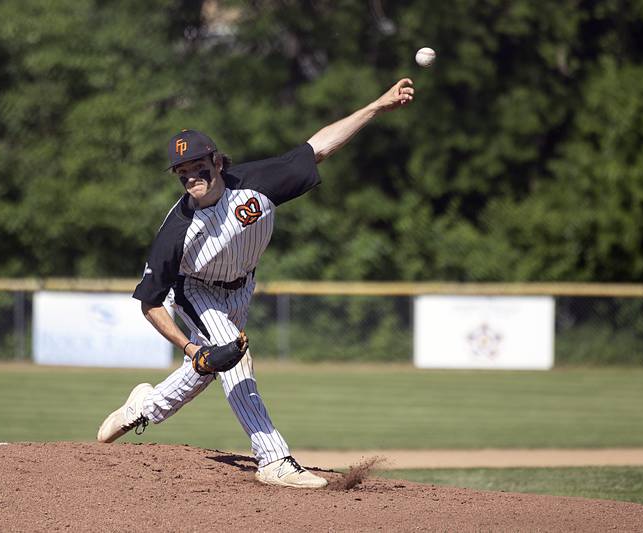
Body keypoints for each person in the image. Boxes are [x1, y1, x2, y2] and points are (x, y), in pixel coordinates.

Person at [97, 78, 415, 489]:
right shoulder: (175, 232)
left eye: (198, 166)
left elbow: (318, 148)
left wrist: (376, 105)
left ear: (217, 161)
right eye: (183, 172)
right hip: (195, 291)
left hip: (242, 286)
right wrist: (192, 347)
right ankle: (273, 459)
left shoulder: (256, 182)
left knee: (210, 370)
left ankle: (143, 407)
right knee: (234, 359)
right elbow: (150, 303)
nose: (192, 176)